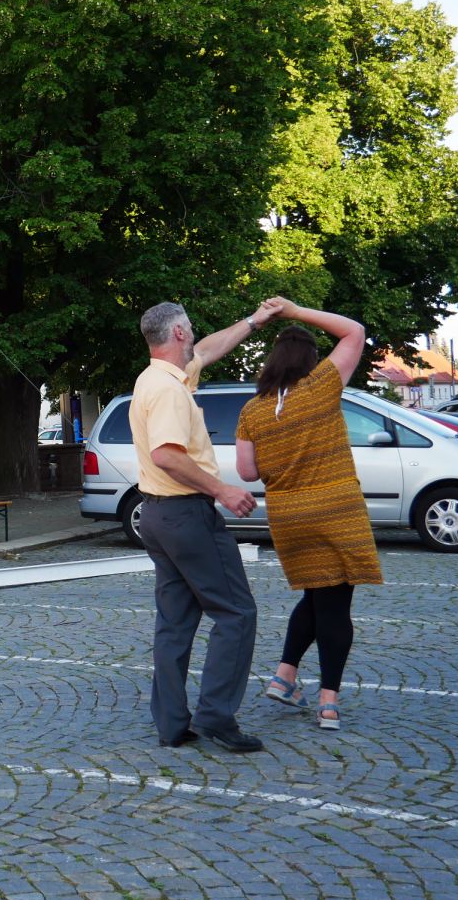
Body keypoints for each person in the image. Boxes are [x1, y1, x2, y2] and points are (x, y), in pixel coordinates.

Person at [133, 299, 279, 752]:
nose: (195, 334)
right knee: (237, 613)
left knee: (174, 623)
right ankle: (216, 716)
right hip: (186, 516)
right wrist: (222, 490)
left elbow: (210, 349)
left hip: (157, 516)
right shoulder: (169, 391)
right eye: (190, 328)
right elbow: (166, 454)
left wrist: (253, 321)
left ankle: (172, 724)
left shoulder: (156, 377)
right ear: (178, 333)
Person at [235, 299, 381, 732]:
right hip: (336, 510)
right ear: (310, 360)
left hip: (289, 517)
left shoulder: (252, 410)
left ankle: (284, 677)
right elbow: (354, 331)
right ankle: (328, 703)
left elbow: (247, 472)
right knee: (336, 606)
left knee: (317, 596)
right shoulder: (322, 384)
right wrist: (296, 311)